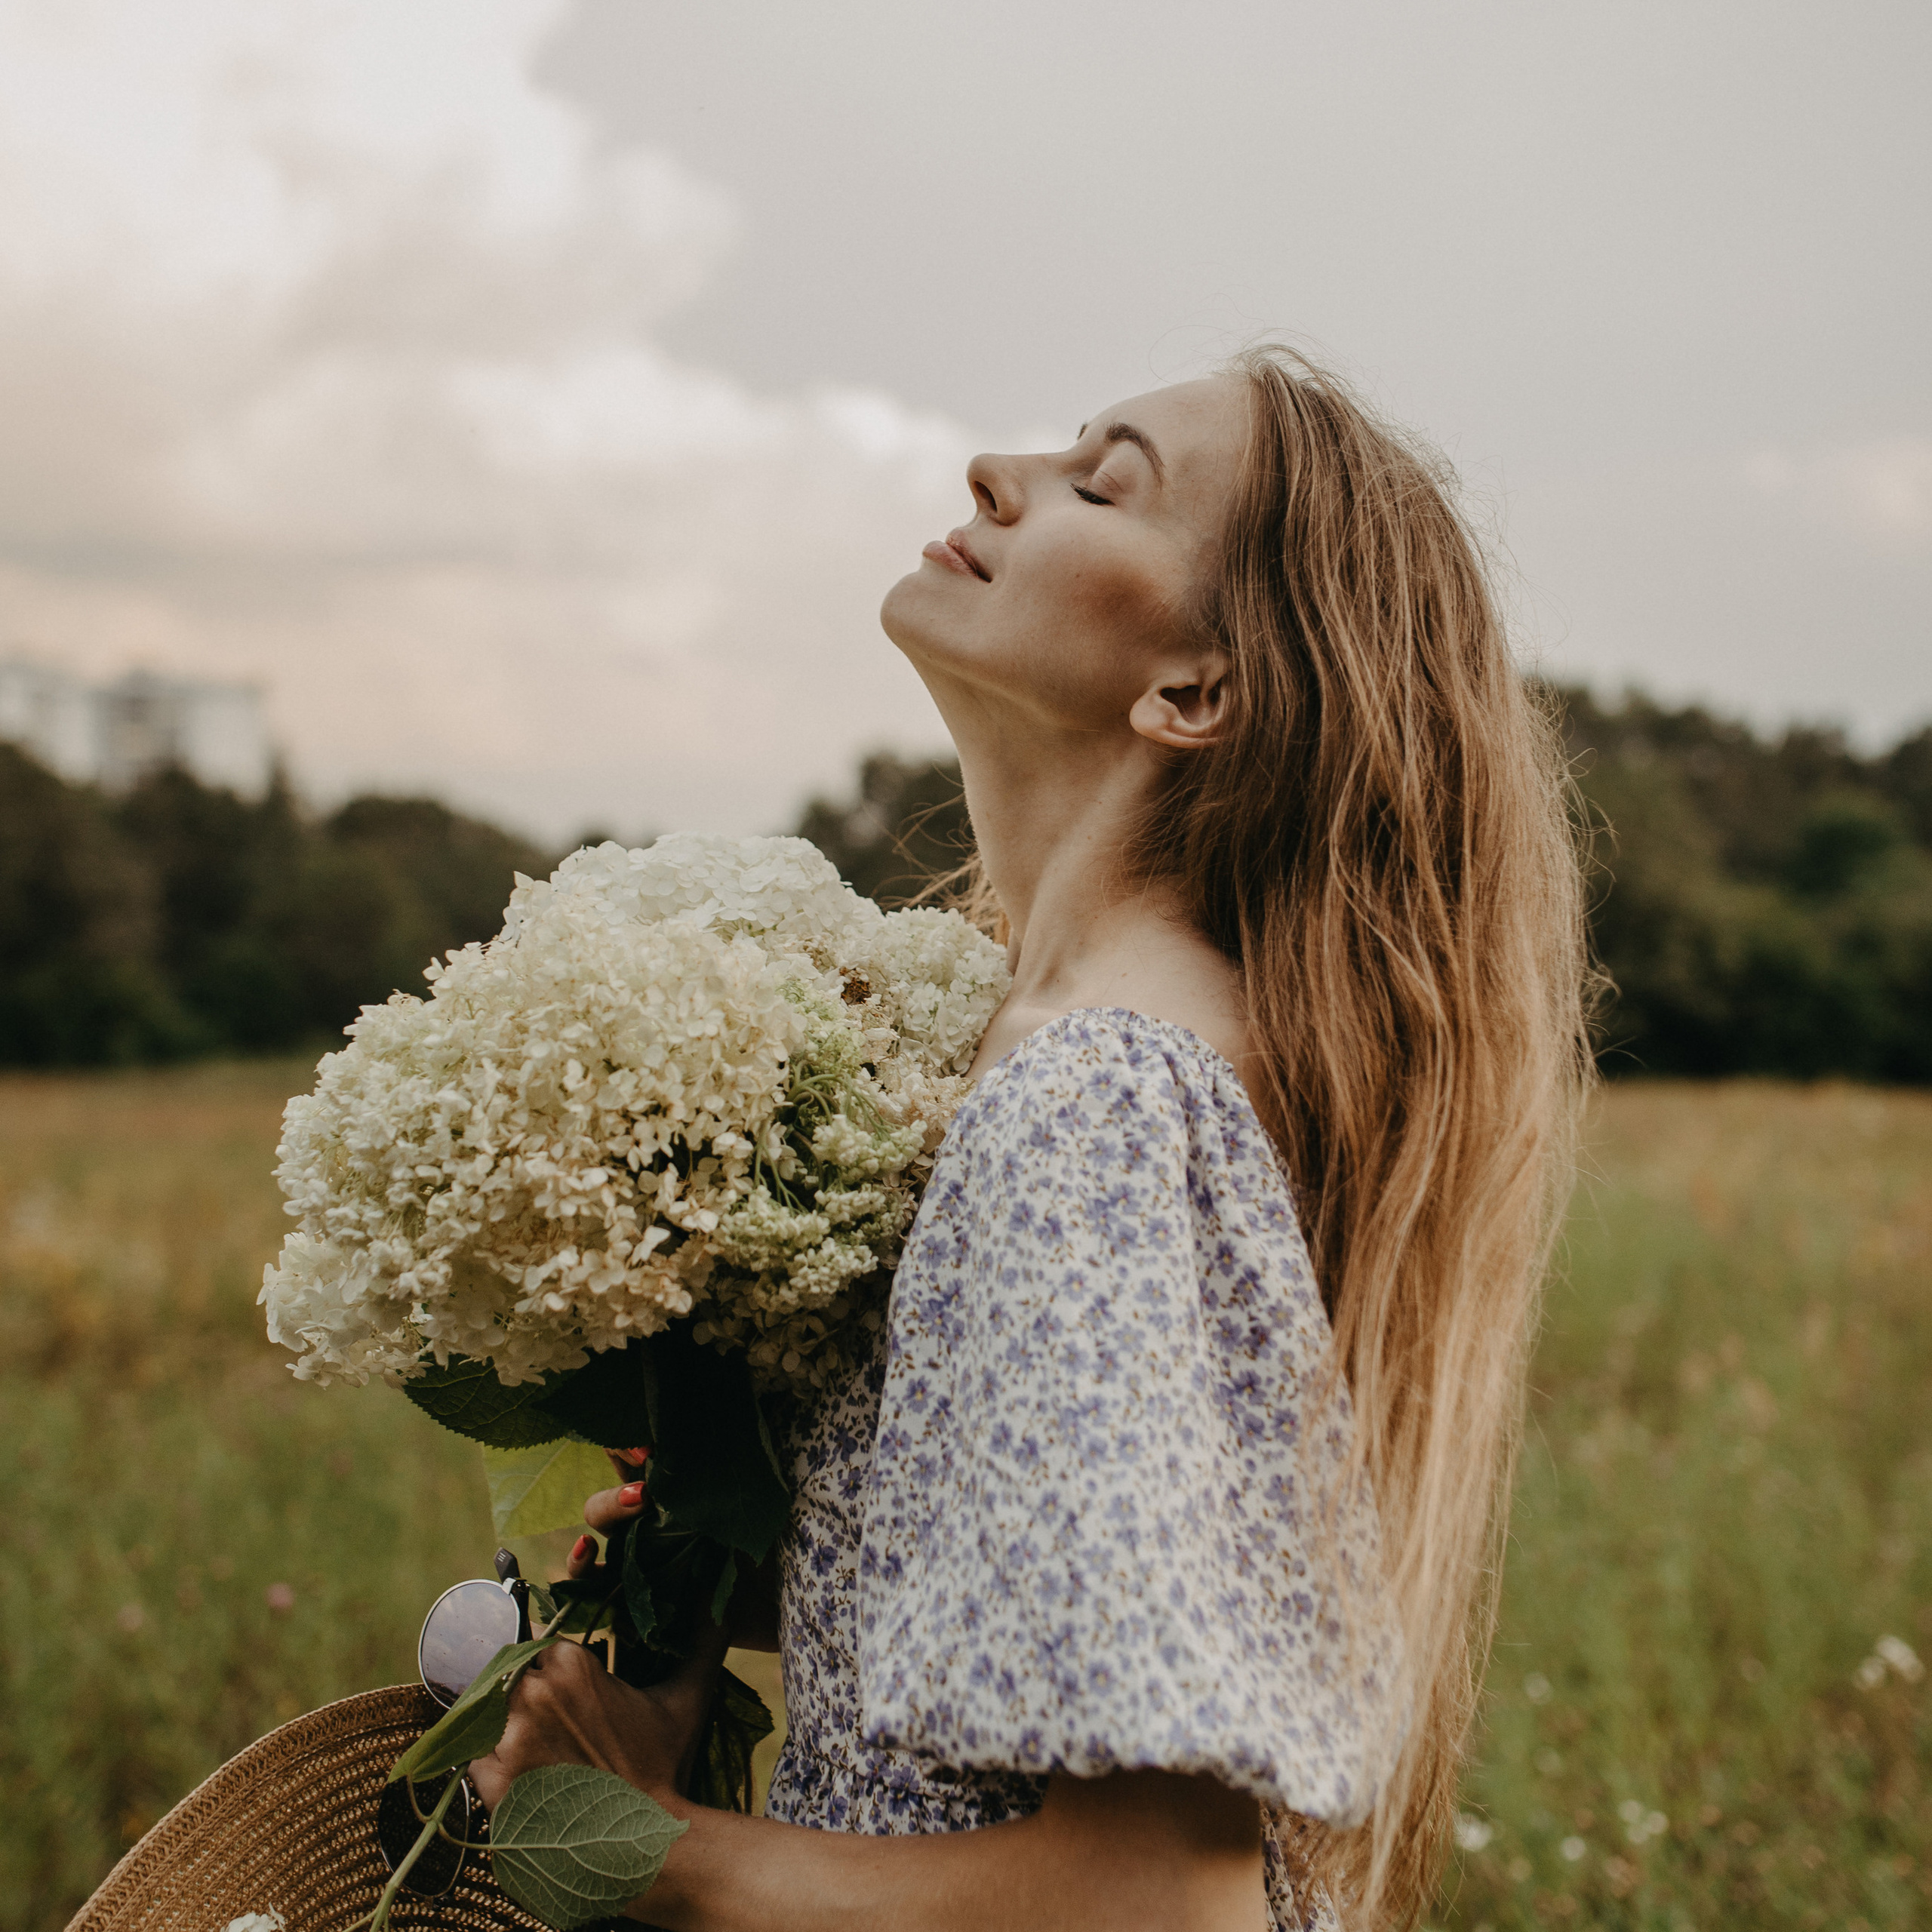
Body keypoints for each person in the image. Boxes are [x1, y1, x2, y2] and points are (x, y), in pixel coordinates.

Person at [468, 346, 1595, 1930]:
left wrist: (650, 1845)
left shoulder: (1095, 1107)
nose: (996, 473)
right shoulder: (1065, 1060)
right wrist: (804, 1564)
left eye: (1103, 484)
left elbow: (1158, 1897)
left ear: (1193, 690)